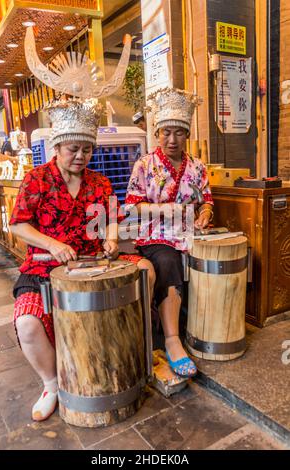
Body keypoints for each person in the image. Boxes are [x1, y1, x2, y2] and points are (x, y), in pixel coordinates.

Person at [9, 30, 155, 422]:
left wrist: (109, 239)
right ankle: (52, 383)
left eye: (86, 148)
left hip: (93, 261)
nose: (80, 155)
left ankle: (132, 358)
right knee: (26, 319)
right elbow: (19, 225)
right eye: (73, 148)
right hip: (44, 265)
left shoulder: (100, 182)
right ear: (56, 147)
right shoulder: (37, 179)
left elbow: (110, 218)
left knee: (144, 271)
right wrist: (53, 243)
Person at [125, 87, 214, 378]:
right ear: (157, 133)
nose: (172, 139)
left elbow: (206, 200)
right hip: (156, 238)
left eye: (178, 132)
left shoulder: (198, 167)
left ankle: (207, 329)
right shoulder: (145, 166)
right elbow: (133, 206)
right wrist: (166, 210)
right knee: (166, 261)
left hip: (190, 235)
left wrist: (204, 214)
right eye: (166, 132)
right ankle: (173, 341)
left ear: (187, 134)